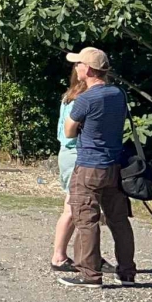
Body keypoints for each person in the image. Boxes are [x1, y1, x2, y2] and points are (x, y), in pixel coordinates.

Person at [58, 46, 137, 288]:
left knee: (86, 220)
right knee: (119, 221)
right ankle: (127, 273)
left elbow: (69, 131)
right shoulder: (118, 94)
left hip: (89, 166)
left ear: (88, 69)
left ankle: (90, 275)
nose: (76, 68)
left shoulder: (86, 98)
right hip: (114, 166)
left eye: (78, 64)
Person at [48, 65, 85, 271]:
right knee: (72, 207)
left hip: (67, 152)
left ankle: (78, 254)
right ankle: (59, 256)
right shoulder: (82, 98)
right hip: (75, 153)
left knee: (71, 206)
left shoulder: (69, 95)